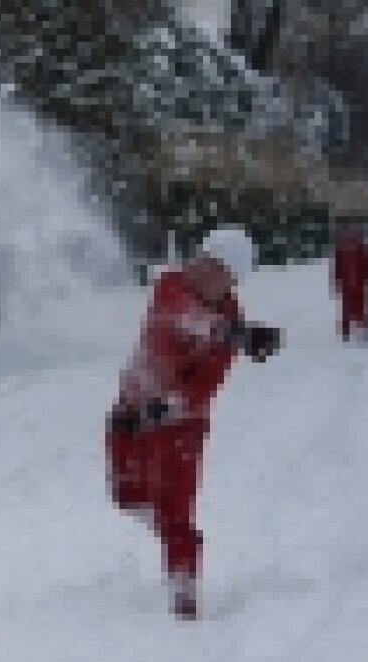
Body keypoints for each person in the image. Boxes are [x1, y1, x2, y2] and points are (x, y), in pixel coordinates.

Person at [105, 232, 281, 620]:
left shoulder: (231, 324)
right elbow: (182, 316)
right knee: (124, 494)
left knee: (177, 510)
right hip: (129, 409)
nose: (198, 269)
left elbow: (205, 387)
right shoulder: (171, 286)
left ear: (231, 279)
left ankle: (183, 591)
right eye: (199, 259)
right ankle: (163, 522)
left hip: (181, 427)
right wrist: (235, 334)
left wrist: (163, 410)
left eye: (213, 266)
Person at [331, 224, 368, 345]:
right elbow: (338, 266)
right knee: (347, 305)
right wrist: (337, 279)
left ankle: (361, 330)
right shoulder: (341, 250)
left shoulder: (362, 249)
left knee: (360, 305)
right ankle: (347, 330)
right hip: (348, 281)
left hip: (359, 281)